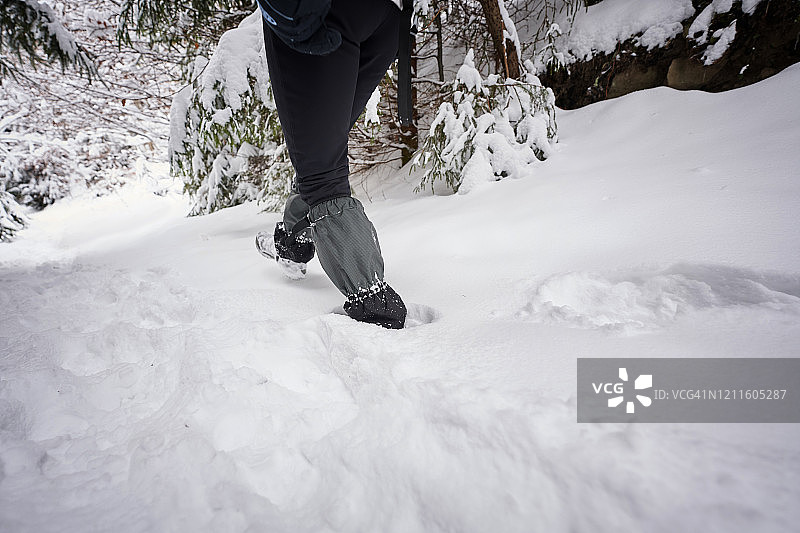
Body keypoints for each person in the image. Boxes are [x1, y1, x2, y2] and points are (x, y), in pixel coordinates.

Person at [254, 0, 407, 329]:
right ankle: (294, 243)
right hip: (383, 17)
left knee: (322, 172)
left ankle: (375, 305)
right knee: (322, 148)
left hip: (314, 16)